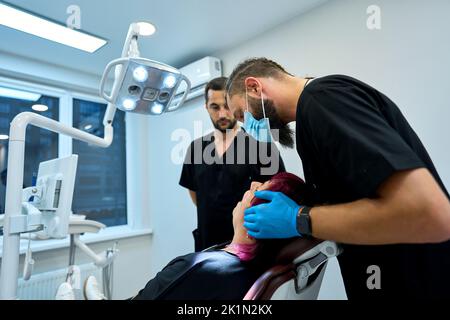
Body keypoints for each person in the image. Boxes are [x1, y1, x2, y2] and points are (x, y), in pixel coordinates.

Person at [225, 57, 450, 299]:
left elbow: (429, 213)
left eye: (241, 115)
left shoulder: (324, 100)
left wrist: (298, 218)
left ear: (254, 87)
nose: (247, 127)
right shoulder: (312, 117)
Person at [74, 172, 310, 300]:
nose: (254, 183)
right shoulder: (264, 265)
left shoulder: (200, 268)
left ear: (259, 215)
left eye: (259, 189)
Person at [179, 77, 285, 252]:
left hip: (249, 248)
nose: (222, 114)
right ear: (206, 107)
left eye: (227, 106)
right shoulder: (196, 148)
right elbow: (196, 196)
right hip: (207, 247)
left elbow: (279, 190)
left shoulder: (260, 144)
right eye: (215, 107)